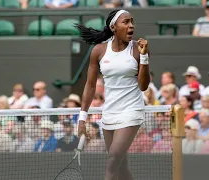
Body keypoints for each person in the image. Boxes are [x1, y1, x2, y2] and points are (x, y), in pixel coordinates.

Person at [75, 9, 150, 180]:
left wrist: (144, 57)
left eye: (132, 22)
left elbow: (143, 86)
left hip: (132, 110)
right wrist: (82, 118)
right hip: (109, 112)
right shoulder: (99, 51)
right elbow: (90, 85)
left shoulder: (138, 50)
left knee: (112, 161)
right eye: (126, 22)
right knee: (121, 167)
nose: (131, 25)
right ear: (113, 27)